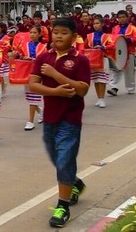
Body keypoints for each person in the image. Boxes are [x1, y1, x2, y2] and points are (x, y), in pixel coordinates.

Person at [28, 17, 91, 228]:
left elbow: (82, 89)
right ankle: (74, 182)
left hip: (70, 119)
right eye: (55, 32)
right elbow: (33, 85)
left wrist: (56, 74)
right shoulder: (43, 57)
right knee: (56, 157)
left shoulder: (81, 60)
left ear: (73, 37)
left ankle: (62, 206)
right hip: (49, 118)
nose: (58, 36)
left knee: (64, 159)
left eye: (64, 33)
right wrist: (54, 91)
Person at [19, 26, 47, 129]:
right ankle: (40, 112)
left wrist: (34, 60)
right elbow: (20, 57)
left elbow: (45, 61)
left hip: (37, 75)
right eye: (31, 32)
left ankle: (30, 121)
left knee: (33, 96)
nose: (32, 34)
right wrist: (20, 57)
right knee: (30, 97)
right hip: (26, 73)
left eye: (34, 32)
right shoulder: (24, 45)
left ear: (39, 34)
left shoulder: (43, 47)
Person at [108, 11, 136, 96]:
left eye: (123, 17)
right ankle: (114, 87)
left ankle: (130, 88)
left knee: (129, 70)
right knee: (116, 69)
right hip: (117, 52)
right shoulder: (115, 28)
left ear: (127, 18)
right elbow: (111, 38)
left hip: (129, 51)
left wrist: (129, 39)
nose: (121, 19)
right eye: (120, 17)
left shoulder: (133, 28)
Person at [85, 16, 114, 108]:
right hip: (93, 59)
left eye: (97, 23)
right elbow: (84, 46)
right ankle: (99, 98)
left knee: (102, 79)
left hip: (103, 59)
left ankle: (102, 99)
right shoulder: (89, 36)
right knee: (96, 80)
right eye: (94, 24)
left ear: (102, 24)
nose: (95, 25)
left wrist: (103, 47)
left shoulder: (107, 36)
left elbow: (112, 45)